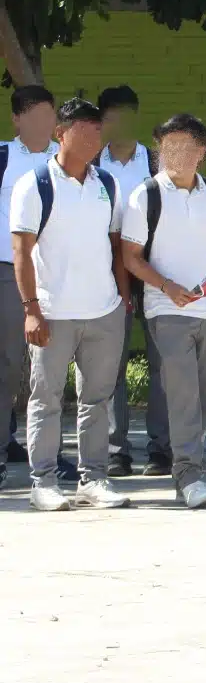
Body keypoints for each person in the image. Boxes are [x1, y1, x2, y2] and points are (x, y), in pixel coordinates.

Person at [11, 98, 131, 511]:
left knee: (96, 399)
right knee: (45, 399)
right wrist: (31, 308)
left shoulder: (107, 184)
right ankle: (43, 482)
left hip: (103, 311)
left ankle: (94, 480)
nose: (96, 137)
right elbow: (22, 253)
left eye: (99, 129)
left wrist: (122, 298)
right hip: (53, 312)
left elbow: (116, 246)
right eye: (86, 129)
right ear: (61, 133)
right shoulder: (36, 183)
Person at [120, 114, 206, 508]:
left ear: (201, 153)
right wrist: (166, 287)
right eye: (165, 147)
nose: (171, 154)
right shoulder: (146, 195)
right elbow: (131, 257)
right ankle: (188, 476)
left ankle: (191, 469)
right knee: (183, 392)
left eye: (182, 147)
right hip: (164, 310)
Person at [94, 84, 171, 478]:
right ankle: (115, 450)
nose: (122, 123)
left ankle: (162, 449)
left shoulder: (158, 162)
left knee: (164, 364)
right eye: (113, 116)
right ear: (101, 121)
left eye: (129, 114)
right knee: (111, 366)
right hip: (106, 275)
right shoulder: (89, 165)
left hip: (153, 272)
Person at [1, 85, 59, 477]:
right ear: (17, 119)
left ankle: (51, 457)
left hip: (57, 276)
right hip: (8, 272)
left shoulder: (66, 160)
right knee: (7, 365)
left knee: (51, 370)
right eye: (36, 116)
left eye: (50, 116)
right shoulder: (4, 156)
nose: (45, 124)